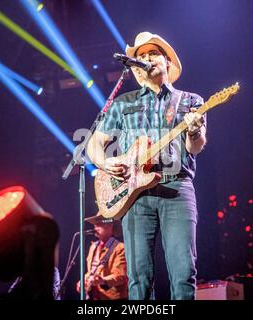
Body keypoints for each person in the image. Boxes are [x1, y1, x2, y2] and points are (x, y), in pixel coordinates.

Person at [87, 32, 207, 300]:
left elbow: (195, 147)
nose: (147, 59)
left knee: (183, 271)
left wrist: (195, 132)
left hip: (176, 186)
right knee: (139, 277)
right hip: (134, 194)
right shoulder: (123, 103)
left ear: (166, 61)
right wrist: (107, 163)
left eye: (152, 54)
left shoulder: (190, 101)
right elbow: (93, 144)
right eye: (140, 56)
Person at [76, 214, 128, 300]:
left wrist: (103, 280)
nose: (95, 226)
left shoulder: (120, 248)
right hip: (94, 296)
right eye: (95, 223)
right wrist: (83, 281)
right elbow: (91, 271)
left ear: (110, 225)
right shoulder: (93, 247)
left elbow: (121, 275)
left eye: (99, 223)